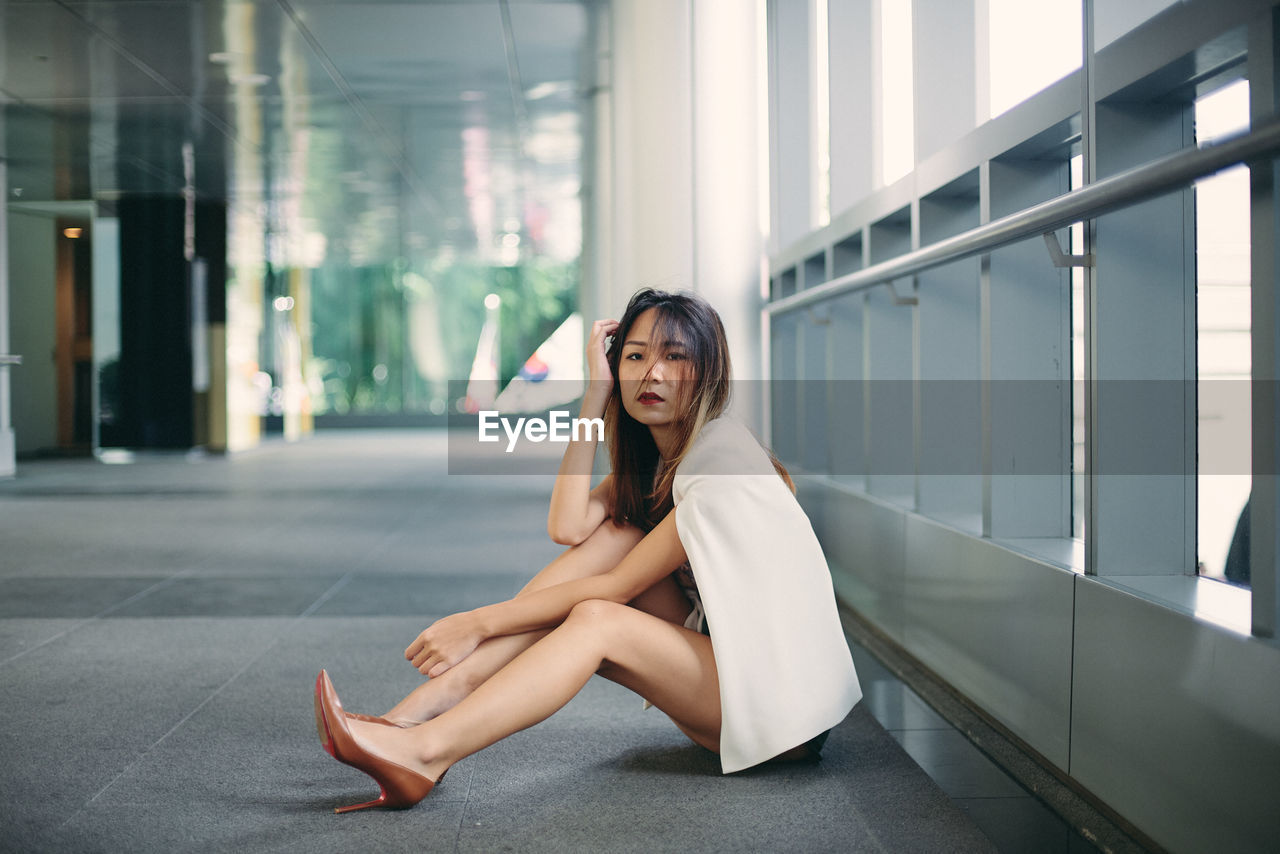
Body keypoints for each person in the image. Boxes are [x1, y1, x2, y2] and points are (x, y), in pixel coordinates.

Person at [313, 287, 861, 813]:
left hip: (779, 716)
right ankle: (421, 713)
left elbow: (614, 591)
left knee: (598, 619)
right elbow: (569, 525)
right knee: (618, 534)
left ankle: (423, 751)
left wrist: (477, 622)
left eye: (674, 357)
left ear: (709, 371)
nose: (652, 373)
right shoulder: (659, 460)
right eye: (635, 356)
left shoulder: (719, 457)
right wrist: (595, 396)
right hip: (733, 685)